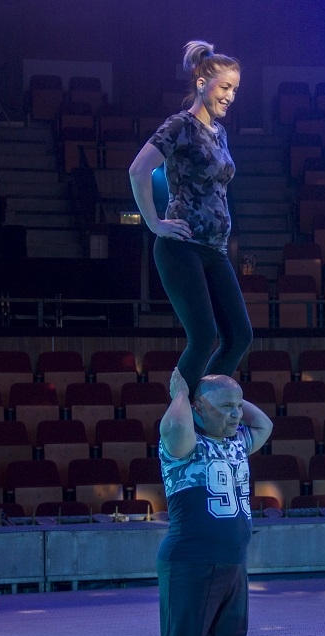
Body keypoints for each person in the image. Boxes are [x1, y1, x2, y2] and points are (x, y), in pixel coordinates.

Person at [129, 41, 251, 398]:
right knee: (203, 336)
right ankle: (178, 416)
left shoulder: (219, 132)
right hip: (182, 247)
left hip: (215, 249)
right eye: (225, 87)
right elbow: (138, 170)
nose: (230, 96)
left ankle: (204, 408)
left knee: (239, 336)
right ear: (201, 84)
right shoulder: (180, 125)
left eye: (235, 90)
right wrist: (154, 223)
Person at [156, 368, 273, 636]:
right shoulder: (185, 444)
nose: (236, 415)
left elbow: (265, 424)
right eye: (225, 408)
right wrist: (182, 393)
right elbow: (173, 425)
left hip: (233, 560)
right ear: (198, 409)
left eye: (238, 406)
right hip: (190, 558)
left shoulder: (238, 440)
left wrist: (229, 398)